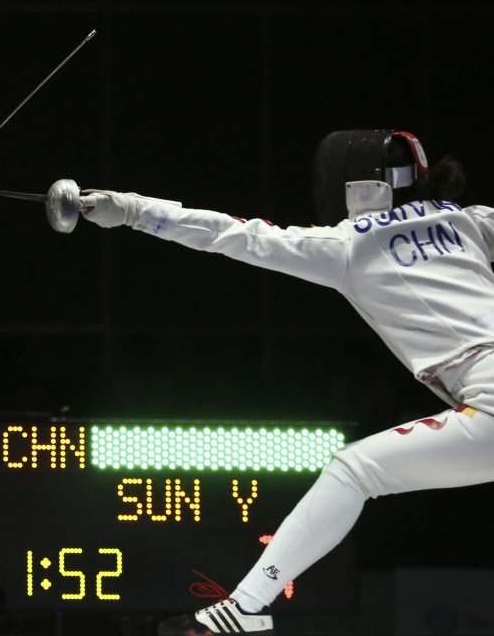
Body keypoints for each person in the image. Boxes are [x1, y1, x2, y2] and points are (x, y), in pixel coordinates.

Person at [78, 129, 492, 636]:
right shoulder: (470, 222)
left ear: (360, 186)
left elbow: (234, 234)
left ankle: (244, 608)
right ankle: (243, 609)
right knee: (357, 470)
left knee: (355, 471)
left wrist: (132, 210)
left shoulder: (350, 244)